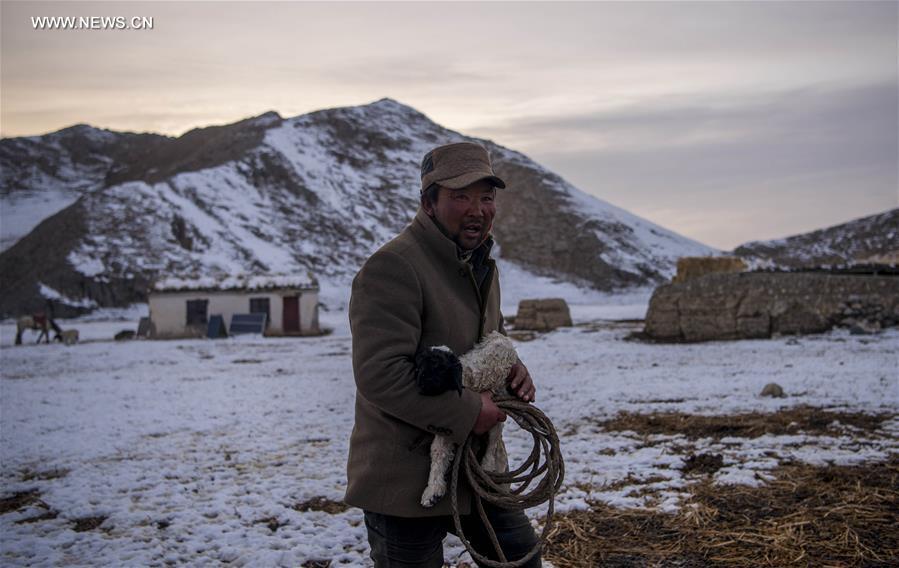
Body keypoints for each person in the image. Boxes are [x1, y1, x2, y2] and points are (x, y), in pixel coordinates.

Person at [346, 141, 541, 567]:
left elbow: (491, 334)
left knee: (522, 559)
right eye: (460, 197)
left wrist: (511, 363)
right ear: (428, 203)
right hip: (405, 476)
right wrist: (470, 411)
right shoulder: (393, 267)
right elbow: (380, 374)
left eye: (486, 197)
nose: (477, 209)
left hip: (476, 471)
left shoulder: (481, 262)